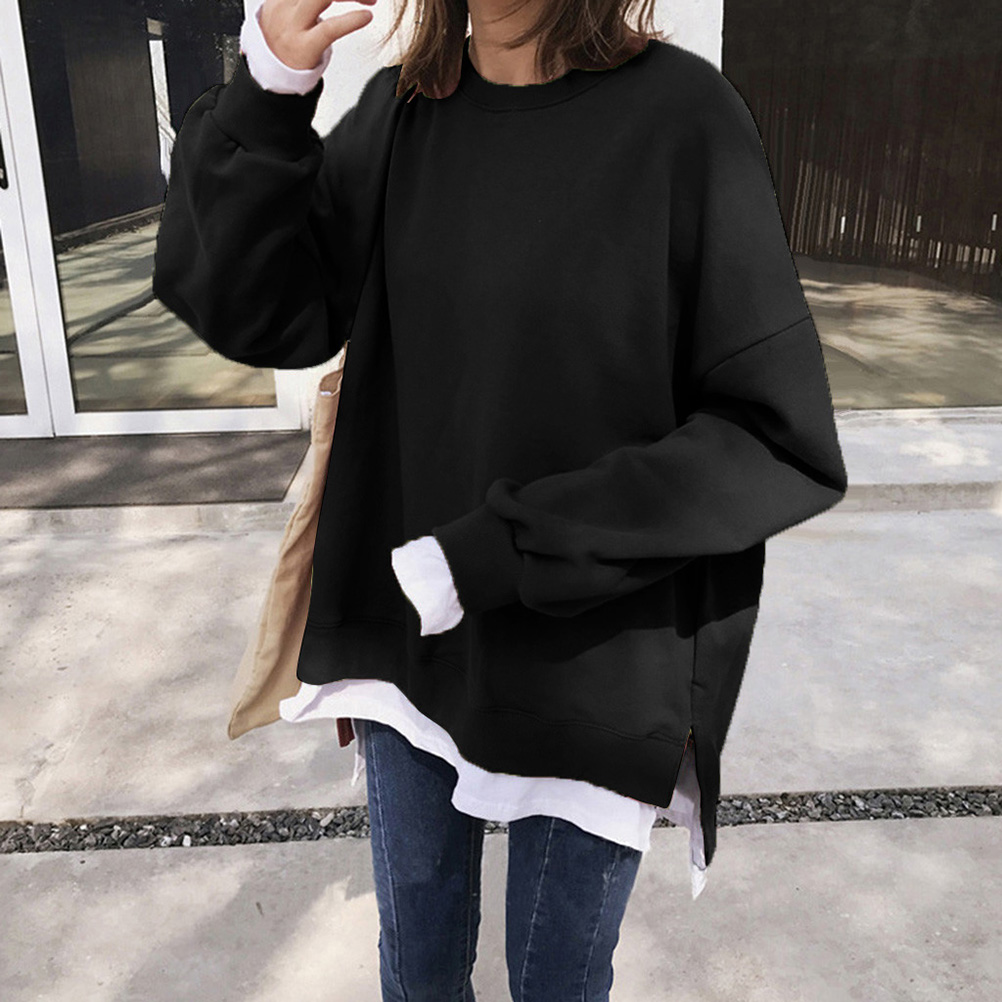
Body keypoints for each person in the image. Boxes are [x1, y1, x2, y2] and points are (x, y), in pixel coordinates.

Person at [152, 1, 848, 999]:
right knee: (419, 972)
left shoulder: (683, 119)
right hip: (410, 650)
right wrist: (267, 95)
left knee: (556, 980)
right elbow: (262, 310)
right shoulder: (404, 113)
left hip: (598, 664)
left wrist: (507, 549)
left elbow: (773, 436)